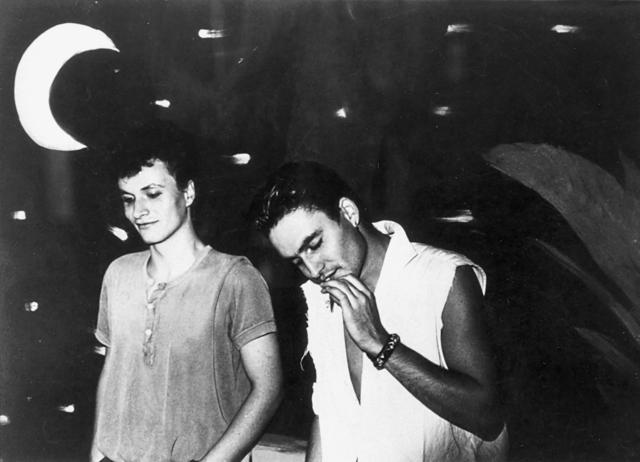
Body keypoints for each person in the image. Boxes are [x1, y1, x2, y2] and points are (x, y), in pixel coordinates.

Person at [250, 161, 508, 462]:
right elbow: (329, 414)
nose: (313, 269)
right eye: (297, 261)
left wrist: (381, 345)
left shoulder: (443, 276)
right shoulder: (320, 297)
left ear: (349, 212)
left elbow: (487, 417)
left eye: (315, 244)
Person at [91, 125, 283, 462]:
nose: (138, 211)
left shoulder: (235, 278)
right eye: (128, 199)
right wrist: (97, 455)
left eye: (153, 194)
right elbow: (111, 375)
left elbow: (268, 388)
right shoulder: (118, 274)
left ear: (189, 192)